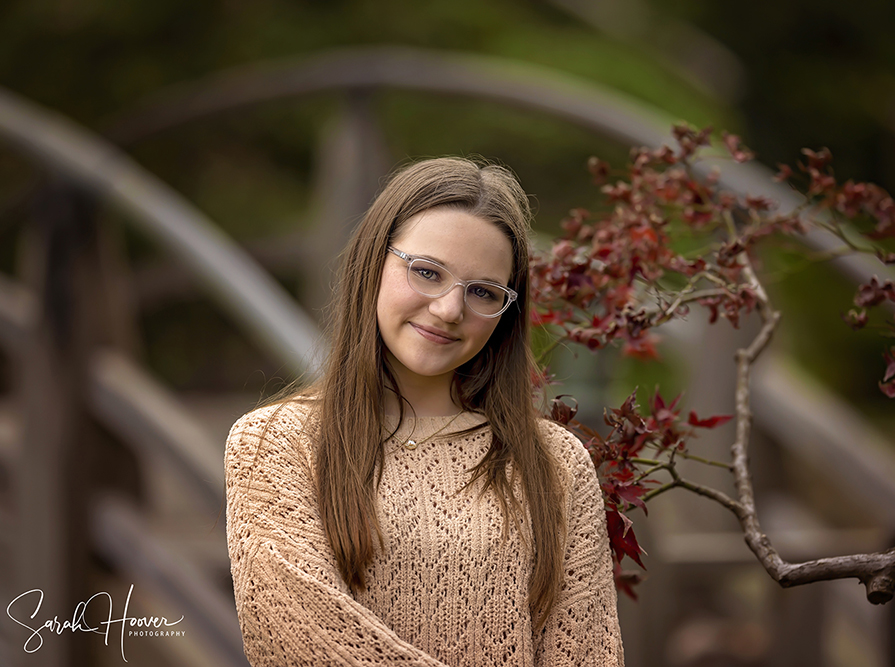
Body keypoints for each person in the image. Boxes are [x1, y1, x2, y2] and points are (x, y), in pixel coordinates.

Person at [224, 157, 624, 666]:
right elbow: (307, 646)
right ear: (374, 264)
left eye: (483, 292)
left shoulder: (556, 464)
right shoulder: (275, 444)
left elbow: (587, 654)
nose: (449, 309)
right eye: (427, 272)